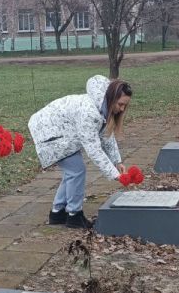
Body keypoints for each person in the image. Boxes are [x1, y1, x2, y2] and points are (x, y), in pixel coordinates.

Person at [28, 76, 132, 228]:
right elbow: (94, 149)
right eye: (120, 104)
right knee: (77, 170)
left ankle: (57, 212)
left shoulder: (102, 107)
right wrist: (115, 175)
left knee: (72, 172)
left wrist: (117, 162)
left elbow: (106, 137)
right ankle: (74, 215)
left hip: (61, 132)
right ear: (111, 98)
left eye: (125, 106)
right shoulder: (89, 112)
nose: (122, 109)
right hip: (49, 133)